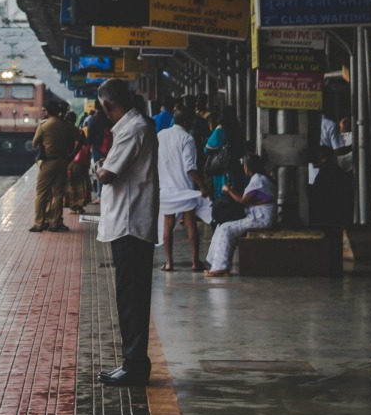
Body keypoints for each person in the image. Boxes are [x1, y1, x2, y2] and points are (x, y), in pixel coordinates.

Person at [94, 78, 158, 386]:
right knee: (131, 296)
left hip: (130, 225)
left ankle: (135, 366)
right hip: (129, 223)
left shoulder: (133, 129)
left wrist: (98, 167)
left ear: (107, 106)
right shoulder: (136, 126)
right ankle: (134, 362)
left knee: (131, 298)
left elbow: (107, 174)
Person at [157, 103, 212, 272]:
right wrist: (202, 185)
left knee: (168, 223)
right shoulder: (187, 138)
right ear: (187, 122)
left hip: (166, 189)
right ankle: (195, 262)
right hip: (184, 190)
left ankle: (169, 263)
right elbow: (190, 167)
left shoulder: (161, 135)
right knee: (190, 224)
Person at [205, 154, 276, 276]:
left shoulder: (257, 179)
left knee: (226, 229)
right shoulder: (263, 178)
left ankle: (221, 267)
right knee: (222, 226)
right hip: (260, 216)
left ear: (248, 167)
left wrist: (228, 190)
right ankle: (216, 264)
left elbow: (243, 200)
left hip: (260, 218)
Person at [30, 99, 78, 233]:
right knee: (58, 194)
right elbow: (81, 139)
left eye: (44, 110)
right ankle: (54, 223)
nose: (42, 112)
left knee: (41, 193)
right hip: (63, 162)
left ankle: (39, 223)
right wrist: (72, 155)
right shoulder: (67, 125)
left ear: (49, 111)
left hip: (49, 163)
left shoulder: (43, 125)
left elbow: (34, 143)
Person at [308, 145, 353, 228]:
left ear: (324, 158)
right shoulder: (337, 171)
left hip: (329, 217)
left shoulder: (325, 172)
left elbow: (317, 195)